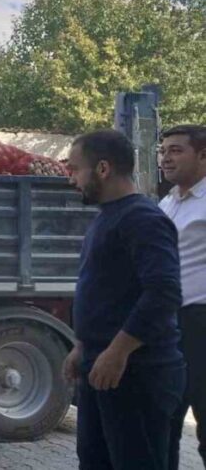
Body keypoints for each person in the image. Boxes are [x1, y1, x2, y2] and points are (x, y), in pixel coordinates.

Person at [62, 130, 185, 470]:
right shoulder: (106, 218)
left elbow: (163, 292)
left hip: (137, 374)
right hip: (100, 368)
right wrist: (82, 346)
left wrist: (118, 351)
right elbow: (107, 292)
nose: (69, 176)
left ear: (103, 168)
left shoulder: (143, 219)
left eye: (74, 168)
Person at [159, 125, 206, 469]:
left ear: (203, 155)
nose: (165, 158)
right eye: (163, 151)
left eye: (176, 150)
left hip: (201, 324)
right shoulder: (167, 203)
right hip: (167, 326)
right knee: (163, 425)